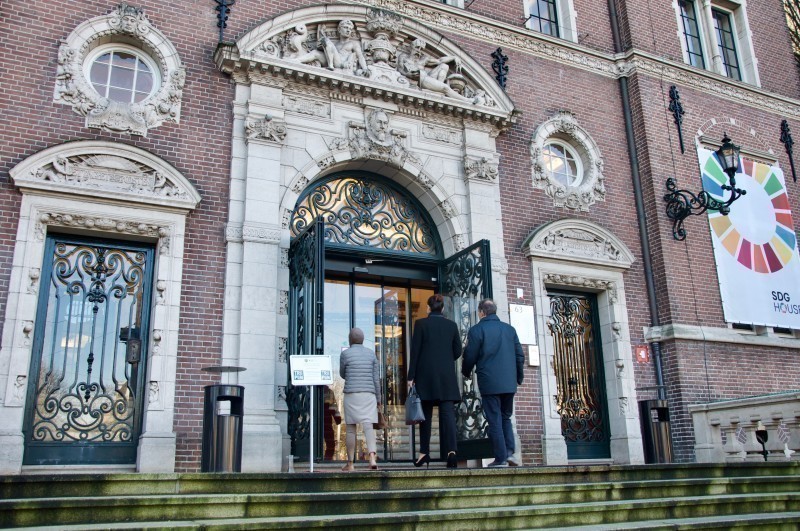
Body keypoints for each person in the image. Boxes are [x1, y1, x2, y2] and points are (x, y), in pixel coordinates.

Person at [462, 298, 524, 467]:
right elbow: (519, 355)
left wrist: (465, 372)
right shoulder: (509, 330)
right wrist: (518, 377)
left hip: (489, 382)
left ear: (482, 312)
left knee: (494, 419)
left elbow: (470, 355)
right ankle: (510, 453)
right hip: (509, 383)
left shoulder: (476, 330)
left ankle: (501, 458)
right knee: (505, 417)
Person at [408, 294, 463, 468]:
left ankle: (424, 453)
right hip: (446, 376)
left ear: (428, 308)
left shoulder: (420, 324)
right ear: (443, 308)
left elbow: (415, 352)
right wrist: (445, 358)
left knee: (425, 415)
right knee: (448, 416)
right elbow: (458, 350)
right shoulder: (452, 325)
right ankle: (452, 452)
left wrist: (411, 376)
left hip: (425, 375)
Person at [339, 327, 382, 471]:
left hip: (352, 394)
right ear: (363, 340)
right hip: (368, 394)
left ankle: (350, 464)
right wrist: (379, 399)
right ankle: (372, 458)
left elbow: (342, 373)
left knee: (351, 428)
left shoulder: (345, 354)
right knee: (368, 427)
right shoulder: (371, 354)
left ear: (350, 340)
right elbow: (376, 379)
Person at [397, 38, 472, 103]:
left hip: (425, 78)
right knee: (445, 87)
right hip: (420, 79)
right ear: (411, 47)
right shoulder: (403, 57)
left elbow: (440, 60)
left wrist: (454, 57)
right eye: (417, 48)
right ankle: (466, 100)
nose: (419, 51)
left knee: (444, 66)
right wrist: (407, 74)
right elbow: (400, 68)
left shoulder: (423, 59)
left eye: (421, 49)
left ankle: (438, 89)